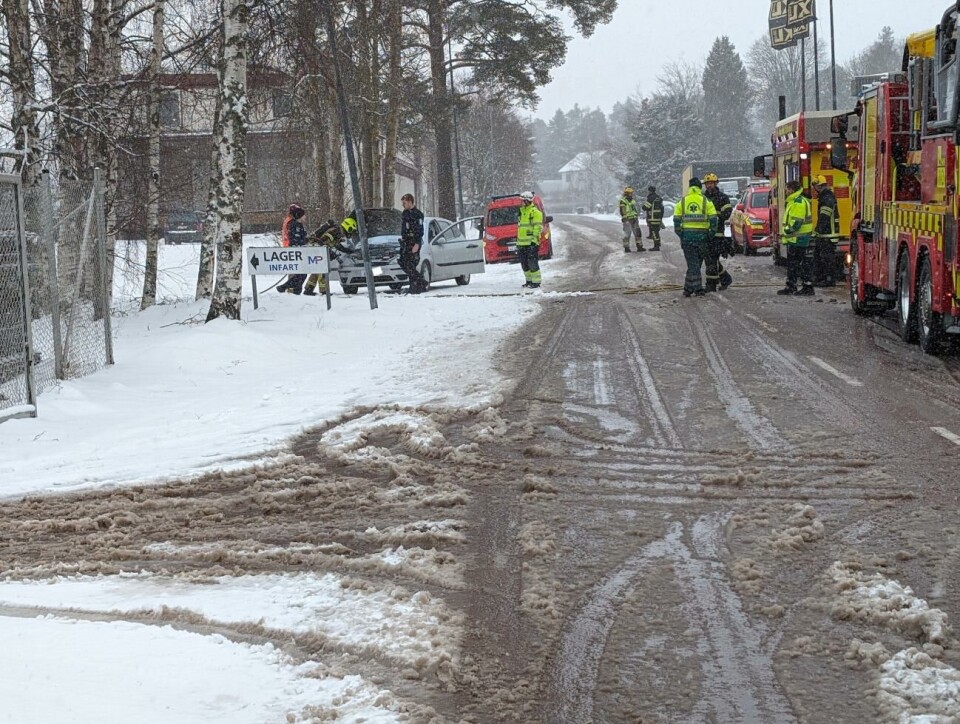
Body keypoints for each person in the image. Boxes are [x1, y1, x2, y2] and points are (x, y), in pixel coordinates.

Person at [674, 177, 718, 297]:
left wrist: (682, 235)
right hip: (702, 239)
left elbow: (676, 221)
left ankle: (688, 289)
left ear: (690, 187)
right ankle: (698, 289)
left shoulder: (682, 201)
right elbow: (714, 220)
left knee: (693, 264)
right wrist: (710, 234)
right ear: (700, 187)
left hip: (687, 240)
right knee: (695, 264)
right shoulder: (706, 201)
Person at [778, 179, 815, 296]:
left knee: (798, 264)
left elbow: (797, 222)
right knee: (795, 264)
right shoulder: (795, 201)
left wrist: (787, 231)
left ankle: (804, 287)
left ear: (792, 189)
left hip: (798, 239)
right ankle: (794, 286)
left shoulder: (798, 202)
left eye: (787, 189)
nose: (786, 191)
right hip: (797, 239)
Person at [302, 217, 356, 296]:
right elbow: (323, 242)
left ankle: (308, 289)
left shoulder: (338, 232)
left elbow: (337, 245)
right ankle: (324, 291)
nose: (351, 233)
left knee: (317, 269)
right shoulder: (335, 231)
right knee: (323, 270)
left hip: (318, 249)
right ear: (348, 227)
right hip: (319, 250)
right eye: (351, 230)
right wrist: (331, 253)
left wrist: (349, 251)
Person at [702, 172, 733, 292]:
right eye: (708, 183)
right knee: (710, 259)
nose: (709, 185)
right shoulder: (703, 198)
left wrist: (714, 216)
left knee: (711, 259)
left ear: (716, 183)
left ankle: (711, 284)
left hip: (717, 234)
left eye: (711, 183)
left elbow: (727, 214)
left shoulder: (723, 197)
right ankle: (725, 278)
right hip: (705, 233)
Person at [812, 175, 840, 286]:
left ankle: (828, 279)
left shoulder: (826, 198)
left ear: (818, 186)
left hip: (828, 234)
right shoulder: (826, 196)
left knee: (826, 258)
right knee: (820, 257)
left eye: (815, 186)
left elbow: (824, 217)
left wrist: (817, 231)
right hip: (825, 234)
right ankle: (822, 278)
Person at [400, 193, 429, 294]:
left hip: (414, 242)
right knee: (403, 262)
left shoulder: (418, 214)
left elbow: (419, 230)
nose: (403, 205)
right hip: (406, 241)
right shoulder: (405, 213)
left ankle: (415, 286)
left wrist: (417, 243)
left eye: (404, 203)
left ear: (409, 202)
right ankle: (421, 281)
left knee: (411, 264)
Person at [277, 204, 307, 294]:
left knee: (299, 272)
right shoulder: (293, 222)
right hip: (292, 249)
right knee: (298, 272)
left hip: (290, 248)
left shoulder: (289, 220)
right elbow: (295, 237)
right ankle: (290, 289)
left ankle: (294, 290)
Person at [517, 191, 543, 288]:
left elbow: (537, 227)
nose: (521, 202)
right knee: (524, 264)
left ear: (527, 201)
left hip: (531, 243)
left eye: (522, 201)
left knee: (532, 263)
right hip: (521, 244)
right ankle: (529, 280)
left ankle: (536, 282)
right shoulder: (522, 212)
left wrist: (533, 240)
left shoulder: (535, 212)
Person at [619, 186, 644, 252]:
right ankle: (626, 248)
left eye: (631, 193)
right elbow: (622, 210)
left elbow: (634, 209)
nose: (632, 194)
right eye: (630, 193)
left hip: (634, 219)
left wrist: (636, 215)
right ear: (627, 193)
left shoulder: (632, 200)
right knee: (627, 234)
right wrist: (624, 218)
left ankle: (639, 247)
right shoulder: (623, 201)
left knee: (638, 233)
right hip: (627, 219)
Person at [642, 185, 664, 250]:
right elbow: (662, 208)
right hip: (658, 217)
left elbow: (645, 207)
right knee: (656, 230)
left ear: (649, 191)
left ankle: (656, 246)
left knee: (655, 231)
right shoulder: (659, 198)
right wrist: (660, 217)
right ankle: (658, 243)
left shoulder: (651, 198)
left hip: (652, 217)